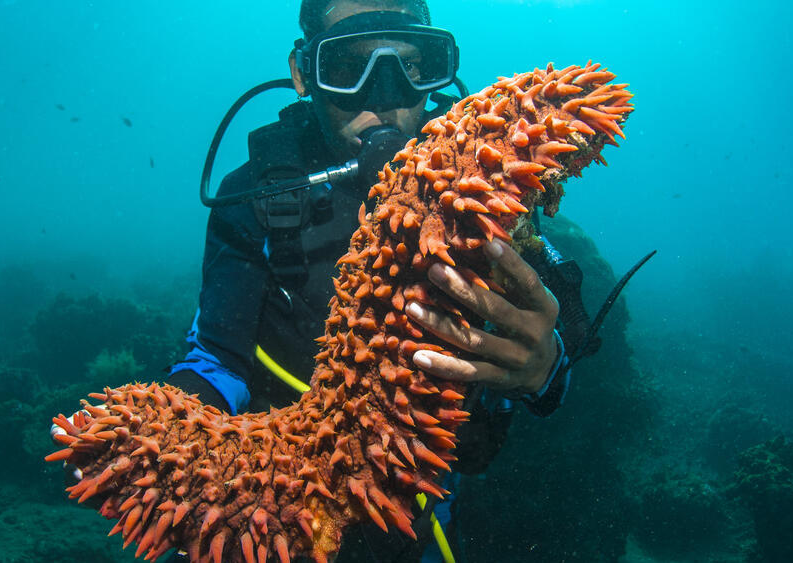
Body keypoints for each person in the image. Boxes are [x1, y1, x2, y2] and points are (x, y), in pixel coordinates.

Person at [165, 1, 580, 561]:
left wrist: (545, 368)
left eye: (412, 66)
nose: (383, 94)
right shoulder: (256, 199)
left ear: (440, 69)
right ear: (302, 74)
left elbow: (561, 339)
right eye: (347, 68)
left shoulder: (497, 192)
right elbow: (217, 356)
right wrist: (175, 427)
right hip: (290, 492)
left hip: (419, 505)